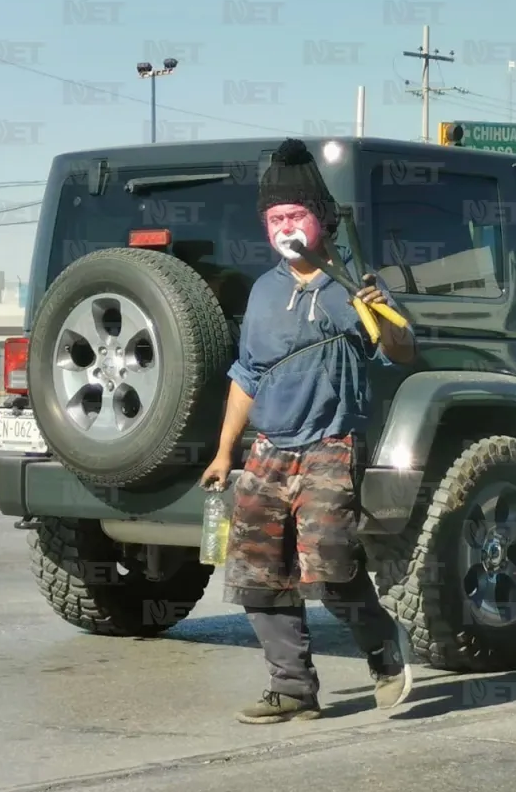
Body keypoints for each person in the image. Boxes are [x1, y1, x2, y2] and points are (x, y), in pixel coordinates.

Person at [199, 138, 418, 724]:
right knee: (255, 570)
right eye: (275, 219)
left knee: (332, 564)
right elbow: (246, 376)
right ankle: (292, 687)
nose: (285, 227)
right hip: (268, 449)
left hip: (331, 443)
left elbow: (401, 350)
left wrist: (382, 311)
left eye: (295, 216)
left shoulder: (355, 286)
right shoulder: (264, 290)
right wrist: (224, 453)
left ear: (321, 221)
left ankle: (383, 651)